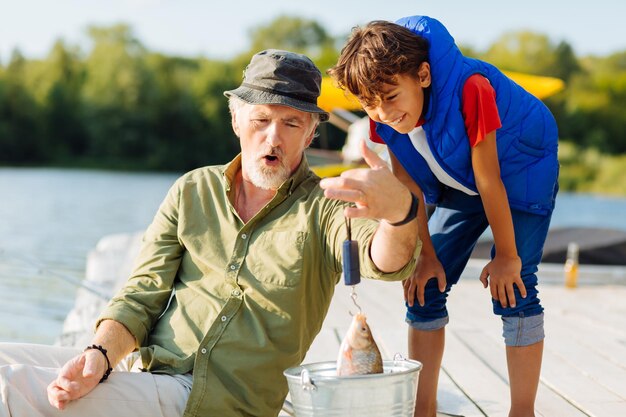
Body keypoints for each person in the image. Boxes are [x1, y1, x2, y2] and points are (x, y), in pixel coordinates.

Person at [0, 49, 421, 417]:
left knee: (9, 390)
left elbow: (385, 263)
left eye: (291, 124)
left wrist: (399, 213)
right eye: (261, 119)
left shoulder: (327, 205)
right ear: (236, 119)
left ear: (311, 132)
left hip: (215, 402)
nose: (273, 137)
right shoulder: (192, 190)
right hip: (145, 372)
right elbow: (141, 295)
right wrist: (99, 355)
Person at [328, 16, 559, 417]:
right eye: (369, 104)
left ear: (423, 75)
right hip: (461, 180)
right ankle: (424, 409)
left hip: (520, 172)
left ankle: (523, 411)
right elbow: (408, 189)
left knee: (517, 285)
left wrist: (506, 256)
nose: (383, 112)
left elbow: (490, 181)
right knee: (424, 286)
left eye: (391, 97)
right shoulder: (382, 118)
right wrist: (426, 256)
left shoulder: (473, 89)